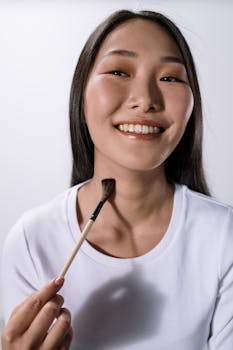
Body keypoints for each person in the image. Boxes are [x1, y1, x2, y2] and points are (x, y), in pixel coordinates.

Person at [1, 9, 233, 350]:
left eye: (169, 78)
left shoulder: (224, 235)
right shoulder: (32, 239)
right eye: (119, 72)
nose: (145, 100)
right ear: (81, 95)